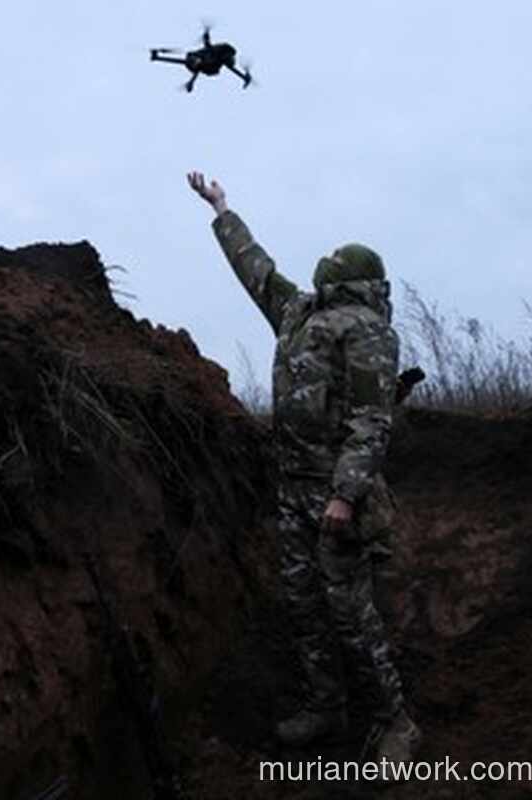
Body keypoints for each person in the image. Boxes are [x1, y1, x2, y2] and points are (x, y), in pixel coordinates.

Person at [187, 171, 421, 765]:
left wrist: (345, 496)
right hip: (293, 491)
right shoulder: (297, 313)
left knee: (350, 609)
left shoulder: (369, 331)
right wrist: (222, 210)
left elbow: (372, 420)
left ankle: (396, 723)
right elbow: (255, 269)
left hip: (335, 498)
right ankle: (326, 708)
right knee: (302, 603)